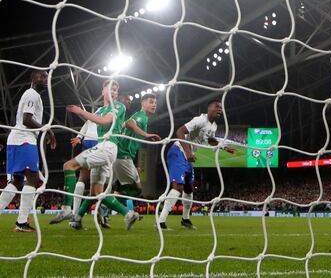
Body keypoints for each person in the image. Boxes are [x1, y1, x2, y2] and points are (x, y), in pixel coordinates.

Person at [61, 80, 153, 230]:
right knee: (96, 192)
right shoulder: (100, 110)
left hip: (107, 147)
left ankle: (67, 209)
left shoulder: (118, 106)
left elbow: (105, 122)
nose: (113, 92)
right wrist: (80, 136)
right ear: (103, 90)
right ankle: (81, 218)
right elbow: (94, 122)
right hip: (102, 146)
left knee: (70, 166)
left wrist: (81, 112)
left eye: (116, 90)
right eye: (110, 89)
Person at [157, 101, 235, 230]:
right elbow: (180, 132)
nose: (220, 109)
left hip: (187, 156)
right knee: (178, 186)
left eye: (221, 107)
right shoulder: (199, 120)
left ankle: (185, 219)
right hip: (178, 151)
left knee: (189, 188)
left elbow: (210, 140)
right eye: (217, 107)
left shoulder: (213, 126)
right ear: (209, 109)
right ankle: (160, 222)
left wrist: (225, 148)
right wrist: (188, 152)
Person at [0, 70, 56, 232]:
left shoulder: (32, 95)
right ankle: (22, 222)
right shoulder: (32, 94)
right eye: (42, 76)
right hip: (24, 139)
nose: (45, 79)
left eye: (47, 77)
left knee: (16, 182)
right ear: (33, 79)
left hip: (17, 140)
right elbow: (26, 119)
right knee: (32, 178)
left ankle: (21, 222)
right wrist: (48, 130)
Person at [51, 105, 101, 225]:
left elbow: (87, 123)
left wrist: (79, 137)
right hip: (99, 142)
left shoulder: (98, 111)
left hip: (88, 141)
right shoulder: (111, 110)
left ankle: (75, 214)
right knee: (98, 182)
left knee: (83, 178)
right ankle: (99, 214)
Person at [111, 94, 160, 212]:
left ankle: (111, 207)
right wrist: (146, 135)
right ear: (143, 104)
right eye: (151, 102)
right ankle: (109, 206)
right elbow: (130, 124)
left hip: (122, 155)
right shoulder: (141, 117)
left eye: (155, 103)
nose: (154, 105)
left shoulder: (143, 118)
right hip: (122, 155)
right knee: (137, 189)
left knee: (120, 188)